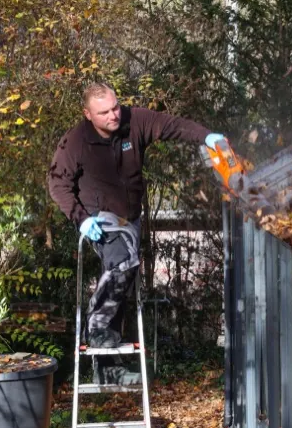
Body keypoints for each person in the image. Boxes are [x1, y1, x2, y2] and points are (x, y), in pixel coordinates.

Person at [48, 82, 224, 384]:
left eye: (115, 107)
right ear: (88, 114)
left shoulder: (134, 122)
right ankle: (98, 326)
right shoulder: (75, 142)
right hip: (99, 219)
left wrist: (206, 137)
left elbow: (172, 126)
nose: (113, 115)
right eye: (104, 112)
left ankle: (108, 369)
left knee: (122, 281)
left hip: (131, 216)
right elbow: (57, 183)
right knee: (121, 263)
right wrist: (80, 220)